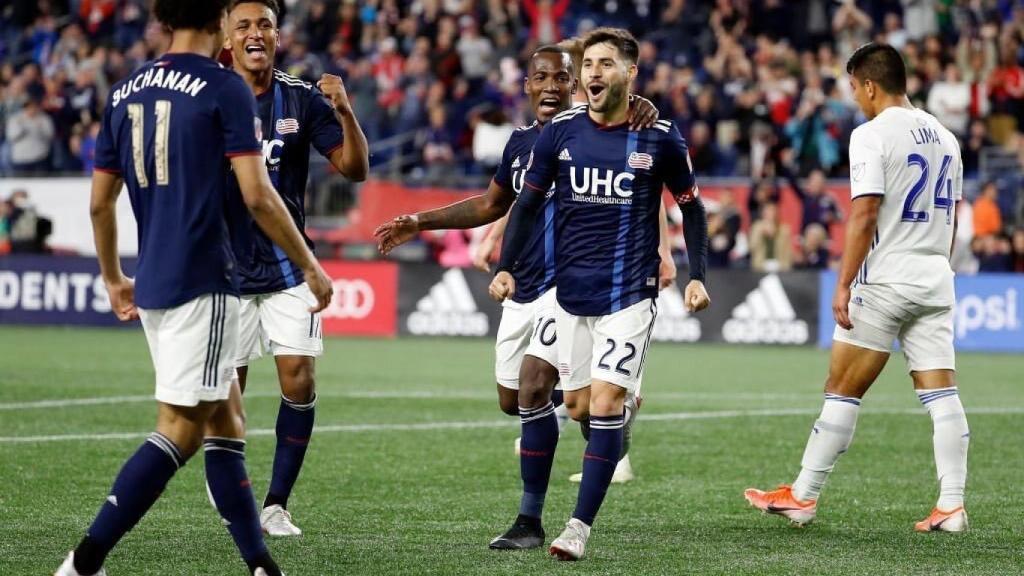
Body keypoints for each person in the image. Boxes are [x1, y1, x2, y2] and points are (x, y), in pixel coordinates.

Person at [55, 1, 333, 574]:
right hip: (204, 279)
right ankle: (84, 561)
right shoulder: (223, 86)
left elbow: (100, 203)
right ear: (218, 22)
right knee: (180, 432)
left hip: (153, 278)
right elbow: (258, 195)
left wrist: (113, 277)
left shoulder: (126, 90)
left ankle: (260, 563)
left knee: (226, 424)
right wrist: (310, 264)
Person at [374, 45, 660, 550]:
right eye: (541, 78)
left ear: (575, 86)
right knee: (515, 400)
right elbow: (492, 204)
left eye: (561, 78)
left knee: (534, 386)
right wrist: (420, 221)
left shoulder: (595, 132)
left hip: (567, 286)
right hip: (521, 287)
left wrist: (639, 102)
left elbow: (644, 180)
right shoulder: (523, 142)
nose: (551, 86)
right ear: (526, 86)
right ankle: (609, 413)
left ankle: (530, 521)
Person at [490, 28, 710, 560]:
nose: (593, 72)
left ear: (630, 73)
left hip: (629, 294)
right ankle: (543, 507)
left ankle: (577, 528)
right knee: (576, 404)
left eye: (606, 63)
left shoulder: (659, 137)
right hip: (568, 293)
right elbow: (525, 204)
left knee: (604, 401)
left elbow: (692, 207)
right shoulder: (560, 133)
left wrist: (697, 274)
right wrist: (506, 267)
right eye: (588, 63)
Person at [744, 43, 969, 533]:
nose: (854, 97)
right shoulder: (947, 137)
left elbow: (864, 213)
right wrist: (937, 265)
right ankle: (952, 504)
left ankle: (803, 495)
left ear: (870, 85)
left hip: (886, 278)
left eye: (853, 87)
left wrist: (844, 283)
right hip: (935, 277)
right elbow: (952, 216)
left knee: (842, 389)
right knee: (941, 393)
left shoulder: (871, 134)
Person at [223, 0, 368, 537]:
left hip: (288, 263)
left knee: (299, 379)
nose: (255, 33)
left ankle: (276, 505)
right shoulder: (211, 96)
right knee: (226, 390)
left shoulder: (301, 98)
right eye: (243, 25)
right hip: (227, 268)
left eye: (264, 24)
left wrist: (345, 111)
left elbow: (354, 169)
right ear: (226, 37)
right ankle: (232, 491)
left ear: (277, 35)